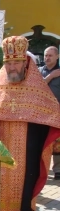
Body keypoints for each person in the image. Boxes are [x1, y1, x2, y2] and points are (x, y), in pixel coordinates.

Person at [0, 36, 60, 211]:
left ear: (25, 62)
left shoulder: (37, 87)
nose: (12, 67)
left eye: (16, 62)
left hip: (27, 149)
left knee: (24, 182)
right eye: (8, 63)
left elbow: (52, 112)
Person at [39, 46, 60, 179]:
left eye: (50, 56)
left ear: (57, 56)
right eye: (46, 55)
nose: (47, 58)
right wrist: (51, 76)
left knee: (58, 142)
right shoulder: (39, 72)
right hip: (42, 113)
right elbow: (38, 88)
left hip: (58, 112)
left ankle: (58, 170)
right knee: (43, 141)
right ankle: (42, 169)